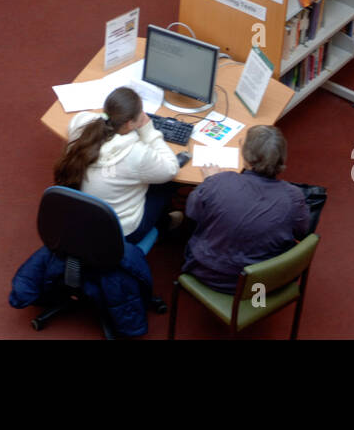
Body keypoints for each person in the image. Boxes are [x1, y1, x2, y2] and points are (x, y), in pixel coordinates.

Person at [181, 125, 312, 293]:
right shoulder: (294, 197)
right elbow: (302, 232)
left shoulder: (219, 182)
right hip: (262, 283)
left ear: (247, 159)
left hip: (206, 272)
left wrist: (210, 182)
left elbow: (192, 213)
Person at [56, 87, 179, 245]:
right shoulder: (136, 153)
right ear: (129, 124)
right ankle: (165, 223)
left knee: (143, 175)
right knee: (168, 184)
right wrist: (148, 131)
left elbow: (82, 118)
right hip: (121, 233)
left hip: (83, 218)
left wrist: (108, 119)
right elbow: (171, 168)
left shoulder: (82, 126)